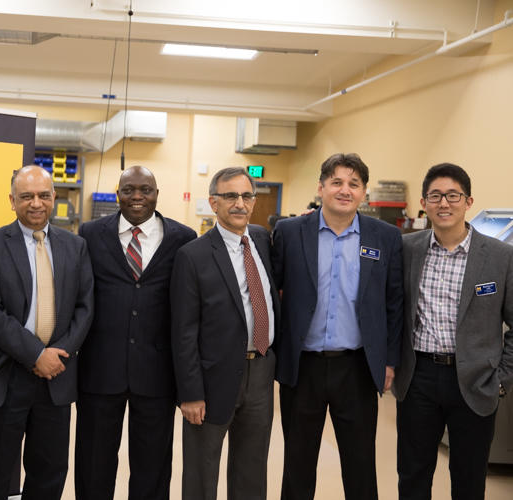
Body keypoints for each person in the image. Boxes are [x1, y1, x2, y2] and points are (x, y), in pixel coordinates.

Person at [271, 153, 403, 500]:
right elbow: (271, 295)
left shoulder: (385, 237)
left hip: (357, 366)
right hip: (303, 367)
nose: (345, 190)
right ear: (322, 187)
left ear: (364, 193)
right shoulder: (289, 231)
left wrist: (389, 360)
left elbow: (394, 303)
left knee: (360, 466)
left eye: (353, 184)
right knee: (298, 463)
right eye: (337, 182)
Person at [392, 163, 513, 500]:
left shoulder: (501, 257)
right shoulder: (406, 250)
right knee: (413, 475)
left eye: (452, 195)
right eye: (435, 196)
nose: (444, 203)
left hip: (475, 380)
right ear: (424, 202)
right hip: (418, 378)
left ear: (468, 201)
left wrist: (501, 379)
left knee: (469, 477)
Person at [75, 166, 196, 500]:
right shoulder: (89, 233)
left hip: (156, 371)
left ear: (157, 194)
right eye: (129, 189)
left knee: (153, 467)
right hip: (100, 369)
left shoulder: (183, 238)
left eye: (146, 189)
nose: (138, 197)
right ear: (118, 194)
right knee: (93, 463)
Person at [0, 165, 94, 500]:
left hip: (57, 376)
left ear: (55, 197)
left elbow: (85, 309)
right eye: (26, 196)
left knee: (50, 472)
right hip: (8, 374)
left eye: (43, 195)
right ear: (12, 201)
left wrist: (56, 356)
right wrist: (35, 355)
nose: (36, 203)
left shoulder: (76, 246)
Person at [171, 166, 278, 500]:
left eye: (246, 196)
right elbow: (183, 330)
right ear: (213, 202)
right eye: (230, 196)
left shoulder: (261, 238)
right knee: (202, 473)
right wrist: (190, 392)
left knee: (252, 468)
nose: (239, 204)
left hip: (260, 370)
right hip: (212, 377)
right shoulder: (193, 255)